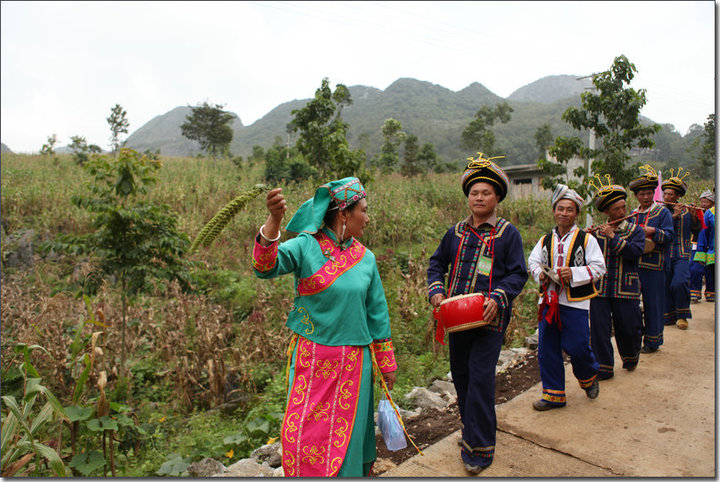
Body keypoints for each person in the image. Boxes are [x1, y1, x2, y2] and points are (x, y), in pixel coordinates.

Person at [252, 177, 397, 477]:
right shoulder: (305, 246)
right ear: (344, 213)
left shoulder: (366, 258)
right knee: (302, 438)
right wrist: (274, 220)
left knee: (348, 443)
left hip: (354, 368)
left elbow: (377, 314)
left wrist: (386, 364)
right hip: (312, 362)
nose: (367, 218)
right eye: (363, 211)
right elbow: (264, 266)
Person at [427, 154, 528, 474]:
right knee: (463, 377)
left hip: (489, 319)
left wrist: (499, 297)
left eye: (486, 193)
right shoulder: (455, 232)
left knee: (481, 379)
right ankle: (472, 432)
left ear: (497, 197)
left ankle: (481, 449)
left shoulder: (507, 234)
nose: (479, 198)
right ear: (467, 197)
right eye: (474, 193)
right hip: (457, 320)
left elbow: (517, 273)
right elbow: (436, 263)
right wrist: (436, 290)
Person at [527, 184, 606, 411]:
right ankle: (553, 395)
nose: (564, 213)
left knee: (578, 346)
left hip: (576, 303)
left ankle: (588, 375)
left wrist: (574, 274)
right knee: (547, 348)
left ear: (577, 213)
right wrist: (540, 273)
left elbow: (599, 267)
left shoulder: (586, 240)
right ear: (554, 211)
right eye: (560, 208)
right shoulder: (545, 240)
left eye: (569, 209)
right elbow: (532, 262)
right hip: (549, 302)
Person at [587, 177, 645, 379]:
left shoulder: (635, 231)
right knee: (600, 330)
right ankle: (604, 367)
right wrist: (583, 239)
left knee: (628, 327)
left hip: (626, 288)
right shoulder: (596, 234)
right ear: (606, 212)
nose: (621, 212)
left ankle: (630, 356)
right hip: (600, 290)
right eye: (616, 209)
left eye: (623, 207)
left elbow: (635, 252)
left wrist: (613, 237)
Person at [628, 165, 674, 353]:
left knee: (653, 303)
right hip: (634, 265)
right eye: (642, 194)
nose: (645, 197)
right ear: (636, 196)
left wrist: (654, 231)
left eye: (648, 193)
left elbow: (669, 235)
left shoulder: (662, 212)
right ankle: (635, 337)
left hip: (655, 265)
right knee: (632, 305)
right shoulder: (633, 214)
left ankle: (652, 341)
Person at [661, 169, 701, 330]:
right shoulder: (661, 211)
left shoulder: (686, 211)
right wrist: (674, 216)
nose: (666, 197)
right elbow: (659, 229)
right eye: (665, 194)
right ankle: (669, 315)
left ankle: (682, 315)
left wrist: (693, 216)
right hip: (664, 253)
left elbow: (697, 232)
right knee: (666, 284)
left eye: (670, 194)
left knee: (680, 282)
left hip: (683, 252)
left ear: (678, 196)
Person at [693, 190, 715, 302]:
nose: (703, 204)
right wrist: (701, 253)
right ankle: (711, 292)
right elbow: (704, 233)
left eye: (706, 202)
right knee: (711, 273)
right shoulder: (710, 213)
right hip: (713, 250)